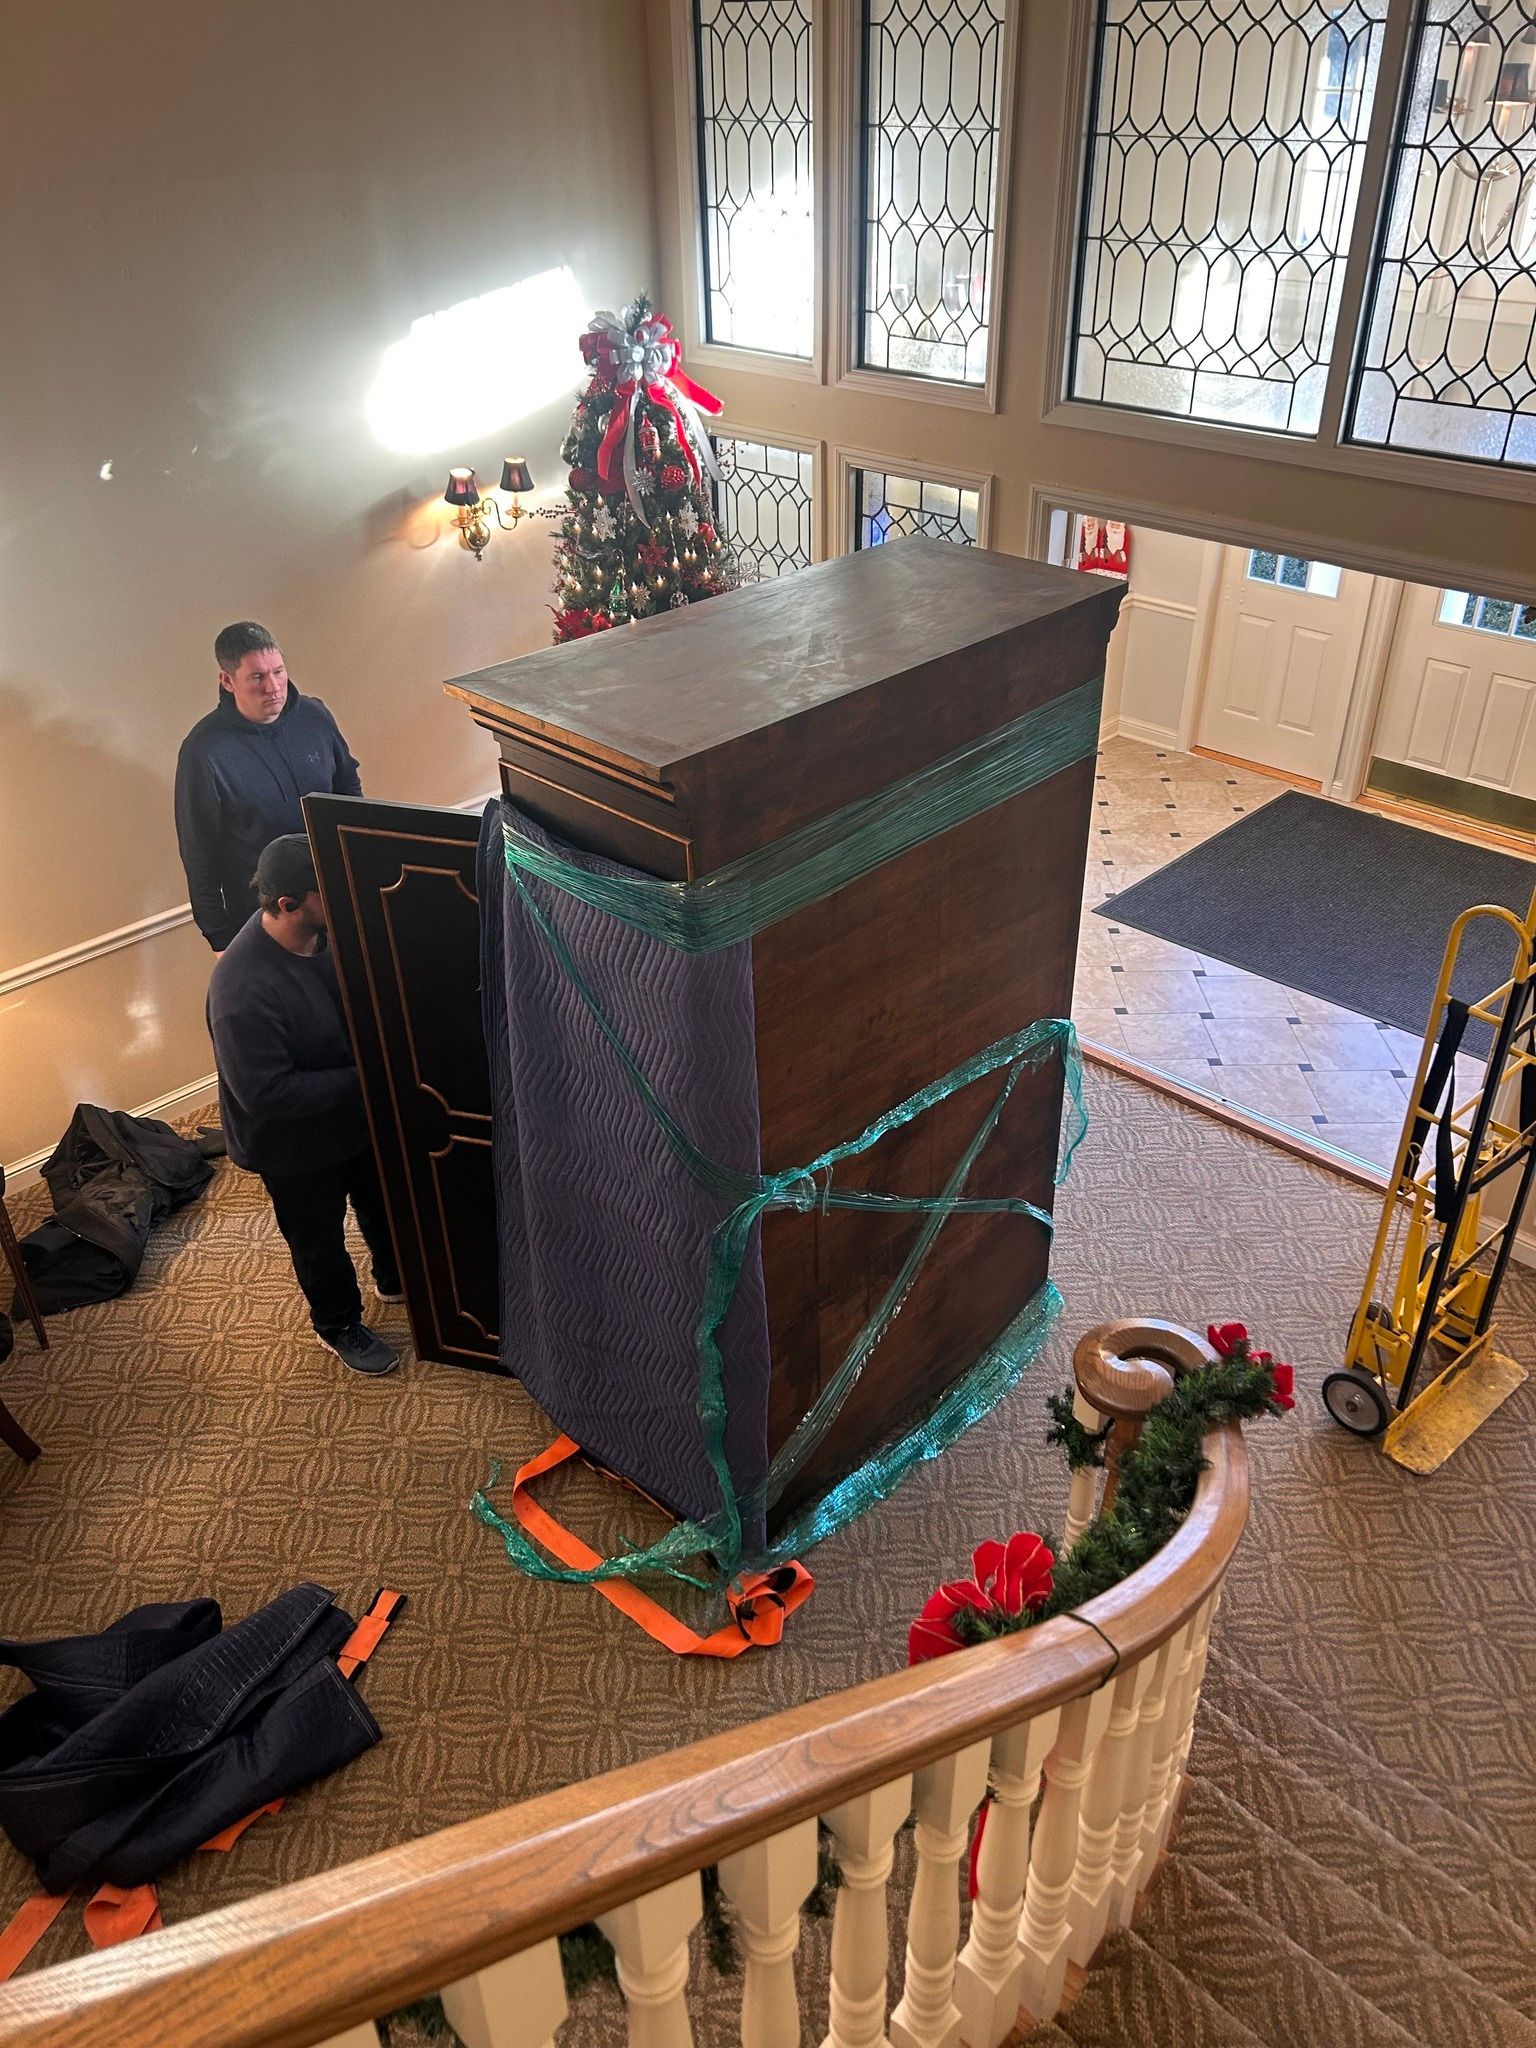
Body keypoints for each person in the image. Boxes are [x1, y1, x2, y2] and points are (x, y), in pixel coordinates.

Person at [207, 834, 401, 1376]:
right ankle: (337, 1324)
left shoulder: (327, 935)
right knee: (318, 1240)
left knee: (382, 1200)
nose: (340, 897)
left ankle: (394, 1277)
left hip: (349, 1111)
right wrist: (366, 1078)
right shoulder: (241, 989)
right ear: (288, 904)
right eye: (326, 891)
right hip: (290, 1142)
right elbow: (266, 1094)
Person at [175, 622, 362, 954]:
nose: (274, 687)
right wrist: (220, 941)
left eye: (278, 671)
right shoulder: (203, 752)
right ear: (228, 681)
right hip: (267, 921)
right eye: (258, 677)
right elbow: (199, 854)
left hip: (337, 897)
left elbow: (348, 787)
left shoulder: (315, 716)